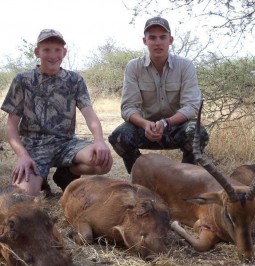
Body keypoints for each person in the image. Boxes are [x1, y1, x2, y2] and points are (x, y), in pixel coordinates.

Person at [1, 29, 113, 196]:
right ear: (37, 52)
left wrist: (99, 141)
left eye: (57, 50)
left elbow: (90, 115)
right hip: (34, 147)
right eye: (46, 49)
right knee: (22, 196)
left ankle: (66, 175)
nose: (52, 55)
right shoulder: (22, 80)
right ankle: (40, 181)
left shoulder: (75, 80)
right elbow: (11, 126)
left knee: (104, 161)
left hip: (66, 144)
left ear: (64, 52)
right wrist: (23, 156)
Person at [108, 16, 209, 174]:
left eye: (162, 37)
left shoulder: (186, 65)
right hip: (145, 128)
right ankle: (141, 176)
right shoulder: (133, 67)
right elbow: (128, 108)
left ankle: (187, 178)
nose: (158, 42)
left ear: (170, 40)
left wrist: (165, 123)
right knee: (119, 137)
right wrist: (145, 124)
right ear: (145, 41)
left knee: (198, 134)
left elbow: (191, 107)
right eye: (152, 37)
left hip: (175, 127)